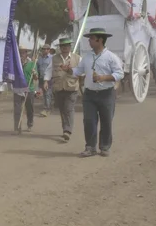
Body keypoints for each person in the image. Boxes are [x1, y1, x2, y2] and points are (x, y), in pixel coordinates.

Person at [61, 28, 124, 157]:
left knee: (106, 121)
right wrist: (68, 70)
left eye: (91, 38)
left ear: (99, 40)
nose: (89, 41)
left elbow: (119, 73)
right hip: (89, 94)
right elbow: (78, 71)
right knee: (89, 121)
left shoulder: (111, 57)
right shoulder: (87, 57)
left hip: (106, 94)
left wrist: (103, 77)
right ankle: (90, 147)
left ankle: (105, 147)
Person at [43, 37, 81, 142]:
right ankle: (65, 129)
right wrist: (46, 81)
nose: (65, 47)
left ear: (70, 46)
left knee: (69, 108)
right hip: (58, 88)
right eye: (62, 46)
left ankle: (68, 131)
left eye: (67, 45)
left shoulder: (77, 58)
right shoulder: (54, 58)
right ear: (60, 47)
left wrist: (71, 70)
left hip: (71, 87)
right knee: (62, 110)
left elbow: (82, 72)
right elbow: (49, 70)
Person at [13, 46, 37, 134]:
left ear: (26, 53)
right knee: (17, 109)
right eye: (20, 52)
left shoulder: (32, 63)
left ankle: (30, 124)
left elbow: (36, 77)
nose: (21, 54)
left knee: (29, 108)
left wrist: (34, 73)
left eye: (23, 52)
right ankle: (17, 127)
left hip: (29, 89)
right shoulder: (16, 64)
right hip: (18, 88)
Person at [37, 44, 53, 117]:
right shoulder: (39, 59)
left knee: (47, 94)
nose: (45, 50)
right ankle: (47, 108)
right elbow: (37, 68)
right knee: (44, 94)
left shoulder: (52, 58)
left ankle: (47, 109)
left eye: (47, 49)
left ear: (49, 50)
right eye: (43, 49)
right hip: (41, 78)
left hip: (49, 79)